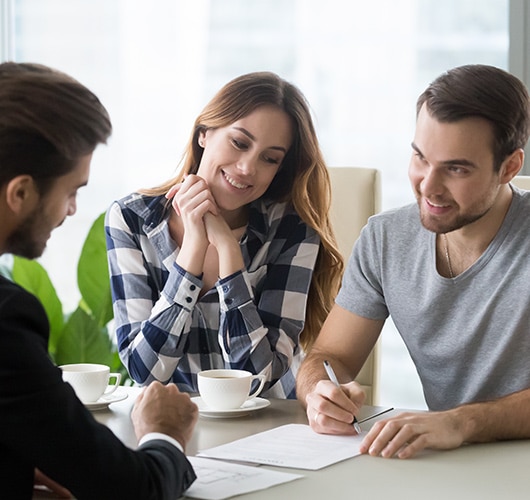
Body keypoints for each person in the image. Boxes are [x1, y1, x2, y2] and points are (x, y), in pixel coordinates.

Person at [296, 64, 530, 459]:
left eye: (456, 168)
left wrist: (460, 422)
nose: (428, 185)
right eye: (421, 157)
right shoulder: (385, 239)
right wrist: (320, 392)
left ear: (509, 167)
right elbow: (328, 357)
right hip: (447, 465)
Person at [0, 61, 198, 499]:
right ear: (21, 193)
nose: (70, 211)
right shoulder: (7, 317)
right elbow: (133, 490)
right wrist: (163, 433)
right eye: (72, 192)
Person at [105, 71, 343, 399]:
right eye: (239, 143)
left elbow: (257, 380)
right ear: (204, 133)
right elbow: (146, 370)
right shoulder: (132, 220)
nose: (247, 168)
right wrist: (192, 250)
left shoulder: (291, 230)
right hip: (180, 425)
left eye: (270, 158)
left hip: (272, 427)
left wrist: (230, 257)